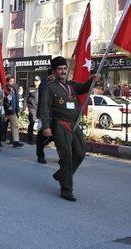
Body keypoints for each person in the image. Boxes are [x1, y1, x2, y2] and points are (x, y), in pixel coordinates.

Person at [40, 56, 96, 201]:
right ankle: (66, 189)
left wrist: (93, 80)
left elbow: (84, 88)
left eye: (65, 68)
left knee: (80, 153)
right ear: (54, 71)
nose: (63, 71)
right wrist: (46, 126)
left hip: (75, 125)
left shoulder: (72, 86)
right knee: (66, 157)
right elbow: (44, 108)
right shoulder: (50, 88)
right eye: (60, 69)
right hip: (60, 125)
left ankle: (61, 175)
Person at [36, 71, 55, 164]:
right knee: (42, 136)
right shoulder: (44, 84)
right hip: (45, 115)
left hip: (56, 115)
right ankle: (40, 155)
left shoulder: (59, 83)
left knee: (57, 136)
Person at [4, 76, 23, 148]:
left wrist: (17, 110)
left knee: (15, 126)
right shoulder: (5, 89)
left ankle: (16, 141)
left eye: (13, 81)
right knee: (1, 126)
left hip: (13, 111)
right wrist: (7, 106)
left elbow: (16, 100)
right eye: (11, 81)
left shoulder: (14, 89)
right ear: (7, 82)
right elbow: (4, 99)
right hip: (6, 111)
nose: (12, 83)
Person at [26, 76, 41, 145]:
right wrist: (25, 108)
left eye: (37, 80)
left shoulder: (42, 88)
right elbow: (26, 98)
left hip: (40, 108)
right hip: (32, 108)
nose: (36, 82)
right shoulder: (30, 88)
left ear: (40, 81)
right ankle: (30, 139)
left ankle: (40, 140)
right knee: (32, 122)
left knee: (41, 124)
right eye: (35, 80)